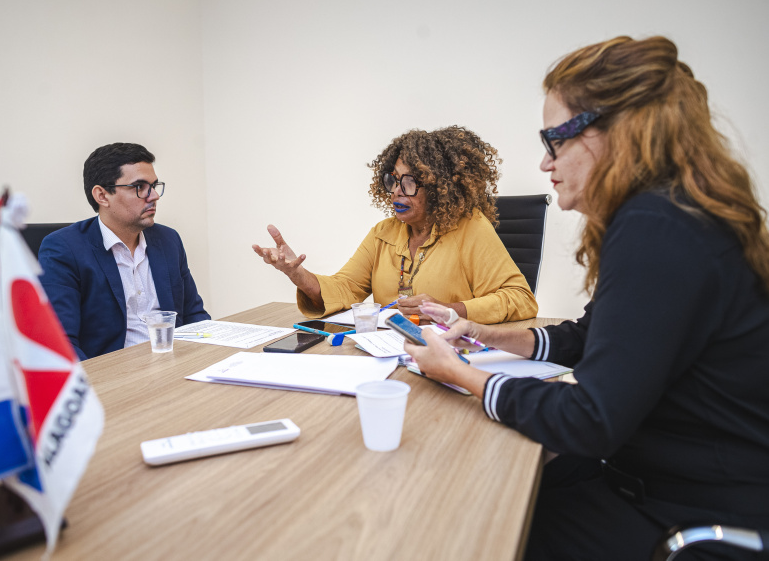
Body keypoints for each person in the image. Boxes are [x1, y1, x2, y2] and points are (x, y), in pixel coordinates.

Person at [405, 36, 769, 560]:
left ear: (617, 133)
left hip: (692, 511)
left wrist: (461, 373)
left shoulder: (656, 226)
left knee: (463, 526)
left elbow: (590, 418)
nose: (545, 162)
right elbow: (585, 335)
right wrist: (487, 336)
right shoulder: (675, 214)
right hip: (665, 473)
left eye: (555, 140)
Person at [252, 126, 538, 325]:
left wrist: (452, 311)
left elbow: (521, 299)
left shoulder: (471, 229)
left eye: (410, 181)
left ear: (440, 188)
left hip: (453, 355)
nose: (396, 191)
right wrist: (298, 274)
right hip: (391, 353)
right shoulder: (383, 233)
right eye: (393, 180)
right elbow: (345, 288)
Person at [39, 143, 209, 361]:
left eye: (154, 185)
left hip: (174, 367)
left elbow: (195, 316)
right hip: (113, 379)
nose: (154, 195)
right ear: (102, 195)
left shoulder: (168, 240)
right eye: (140, 186)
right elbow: (62, 344)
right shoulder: (64, 249)